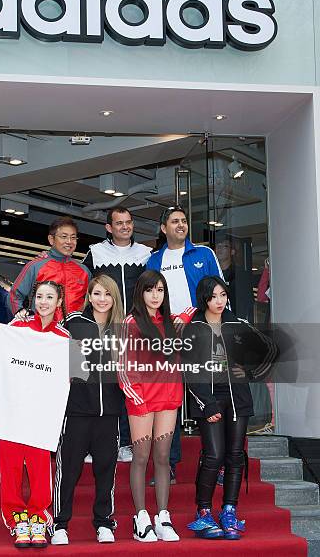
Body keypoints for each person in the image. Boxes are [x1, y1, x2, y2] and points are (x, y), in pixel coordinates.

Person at [185, 276, 277, 540]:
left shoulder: (238, 324)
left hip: (238, 396)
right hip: (208, 397)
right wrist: (207, 404)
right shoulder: (194, 328)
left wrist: (249, 371)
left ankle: (229, 510)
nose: (219, 301)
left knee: (235, 455)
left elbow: (269, 349)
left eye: (223, 295)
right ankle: (203, 512)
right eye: (214, 296)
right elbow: (189, 372)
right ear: (204, 298)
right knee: (214, 455)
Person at [0, 280, 69, 548]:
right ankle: (17, 518)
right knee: (9, 469)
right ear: (33, 300)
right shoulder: (17, 329)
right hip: (11, 412)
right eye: (39, 296)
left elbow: (79, 374)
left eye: (50, 297)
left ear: (59, 303)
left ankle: (37, 518)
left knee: (41, 470)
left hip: (41, 417)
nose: (44, 302)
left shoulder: (65, 339)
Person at [147, 206, 222, 483]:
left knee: (207, 392)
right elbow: (147, 299)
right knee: (168, 400)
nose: (181, 225)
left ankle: (217, 459)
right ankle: (169, 464)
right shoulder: (154, 260)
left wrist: (195, 315)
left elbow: (218, 294)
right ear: (163, 228)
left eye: (184, 221)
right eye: (174, 221)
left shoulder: (204, 254)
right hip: (166, 334)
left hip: (199, 331)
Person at [119, 270, 193, 542]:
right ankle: (141, 518)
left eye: (160, 290)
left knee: (163, 459)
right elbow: (124, 363)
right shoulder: (131, 322)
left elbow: (195, 310)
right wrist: (134, 393)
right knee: (141, 457)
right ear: (141, 292)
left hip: (168, 399)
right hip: (141, 399)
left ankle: (163, 516)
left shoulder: (171, 322)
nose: (155, 295)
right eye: (150, 290)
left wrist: (185, 317)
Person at [52, 274, 124, 545]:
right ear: (89, 296)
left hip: (111, 413)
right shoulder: (73, 323)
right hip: (77, 411)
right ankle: (60, 524)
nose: (102, 299)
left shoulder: (122, 328)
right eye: (97, 293)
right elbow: (50, 346)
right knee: (68, 469)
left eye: (107, 294)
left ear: (114, 296)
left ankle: (104, 523)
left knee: (106, 469)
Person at [83, 207, 151, 462]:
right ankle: (93, 444)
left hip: (134, 330)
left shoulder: (146, 254)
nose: (125, 226)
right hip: (105, 326)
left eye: (129, 222)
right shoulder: (95, 252)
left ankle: (124, 443)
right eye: (119, 223)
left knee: (127, 386)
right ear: (109, 228)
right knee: (100, 384)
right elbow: (83, 283)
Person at [8, 216, 91, 318]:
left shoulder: (84, 271)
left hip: (75, 330)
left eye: (73, 237)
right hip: (43, 329)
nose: (69, 241)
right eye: (64, 236)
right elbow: (14, 295)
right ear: (51, 239)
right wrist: (20, 313)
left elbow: (93, 301)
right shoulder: (35, 266)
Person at [215, 233, 254, 321]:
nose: (220, 248)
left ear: (232, 251)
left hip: (236, 318)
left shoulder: (240, 274)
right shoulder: (212, 272)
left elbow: (248, 300)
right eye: (218, 246)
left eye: (225, 246)